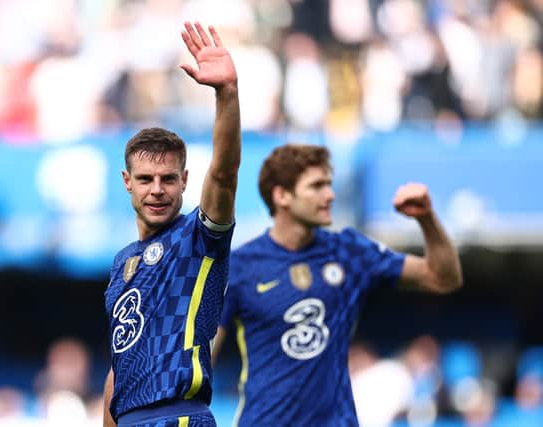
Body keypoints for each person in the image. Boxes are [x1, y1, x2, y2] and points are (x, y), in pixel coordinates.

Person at [214, 144, 463, 426]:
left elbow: (443, 278)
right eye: (317, 186)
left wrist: (427, 218)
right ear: (282, 195)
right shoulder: (241, 266)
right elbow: (203, 356)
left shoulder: (349, 251)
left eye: (329, 185)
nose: (330, 195)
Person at [102, 21, 240, 427]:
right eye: (145, 179)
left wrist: (227, 94)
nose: (156, 190)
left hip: (180, 417)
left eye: (167, 179)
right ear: (128, 183)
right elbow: (119, 368)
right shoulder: (120, 264)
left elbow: (226, 173)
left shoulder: (199, 238)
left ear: (185, 182)